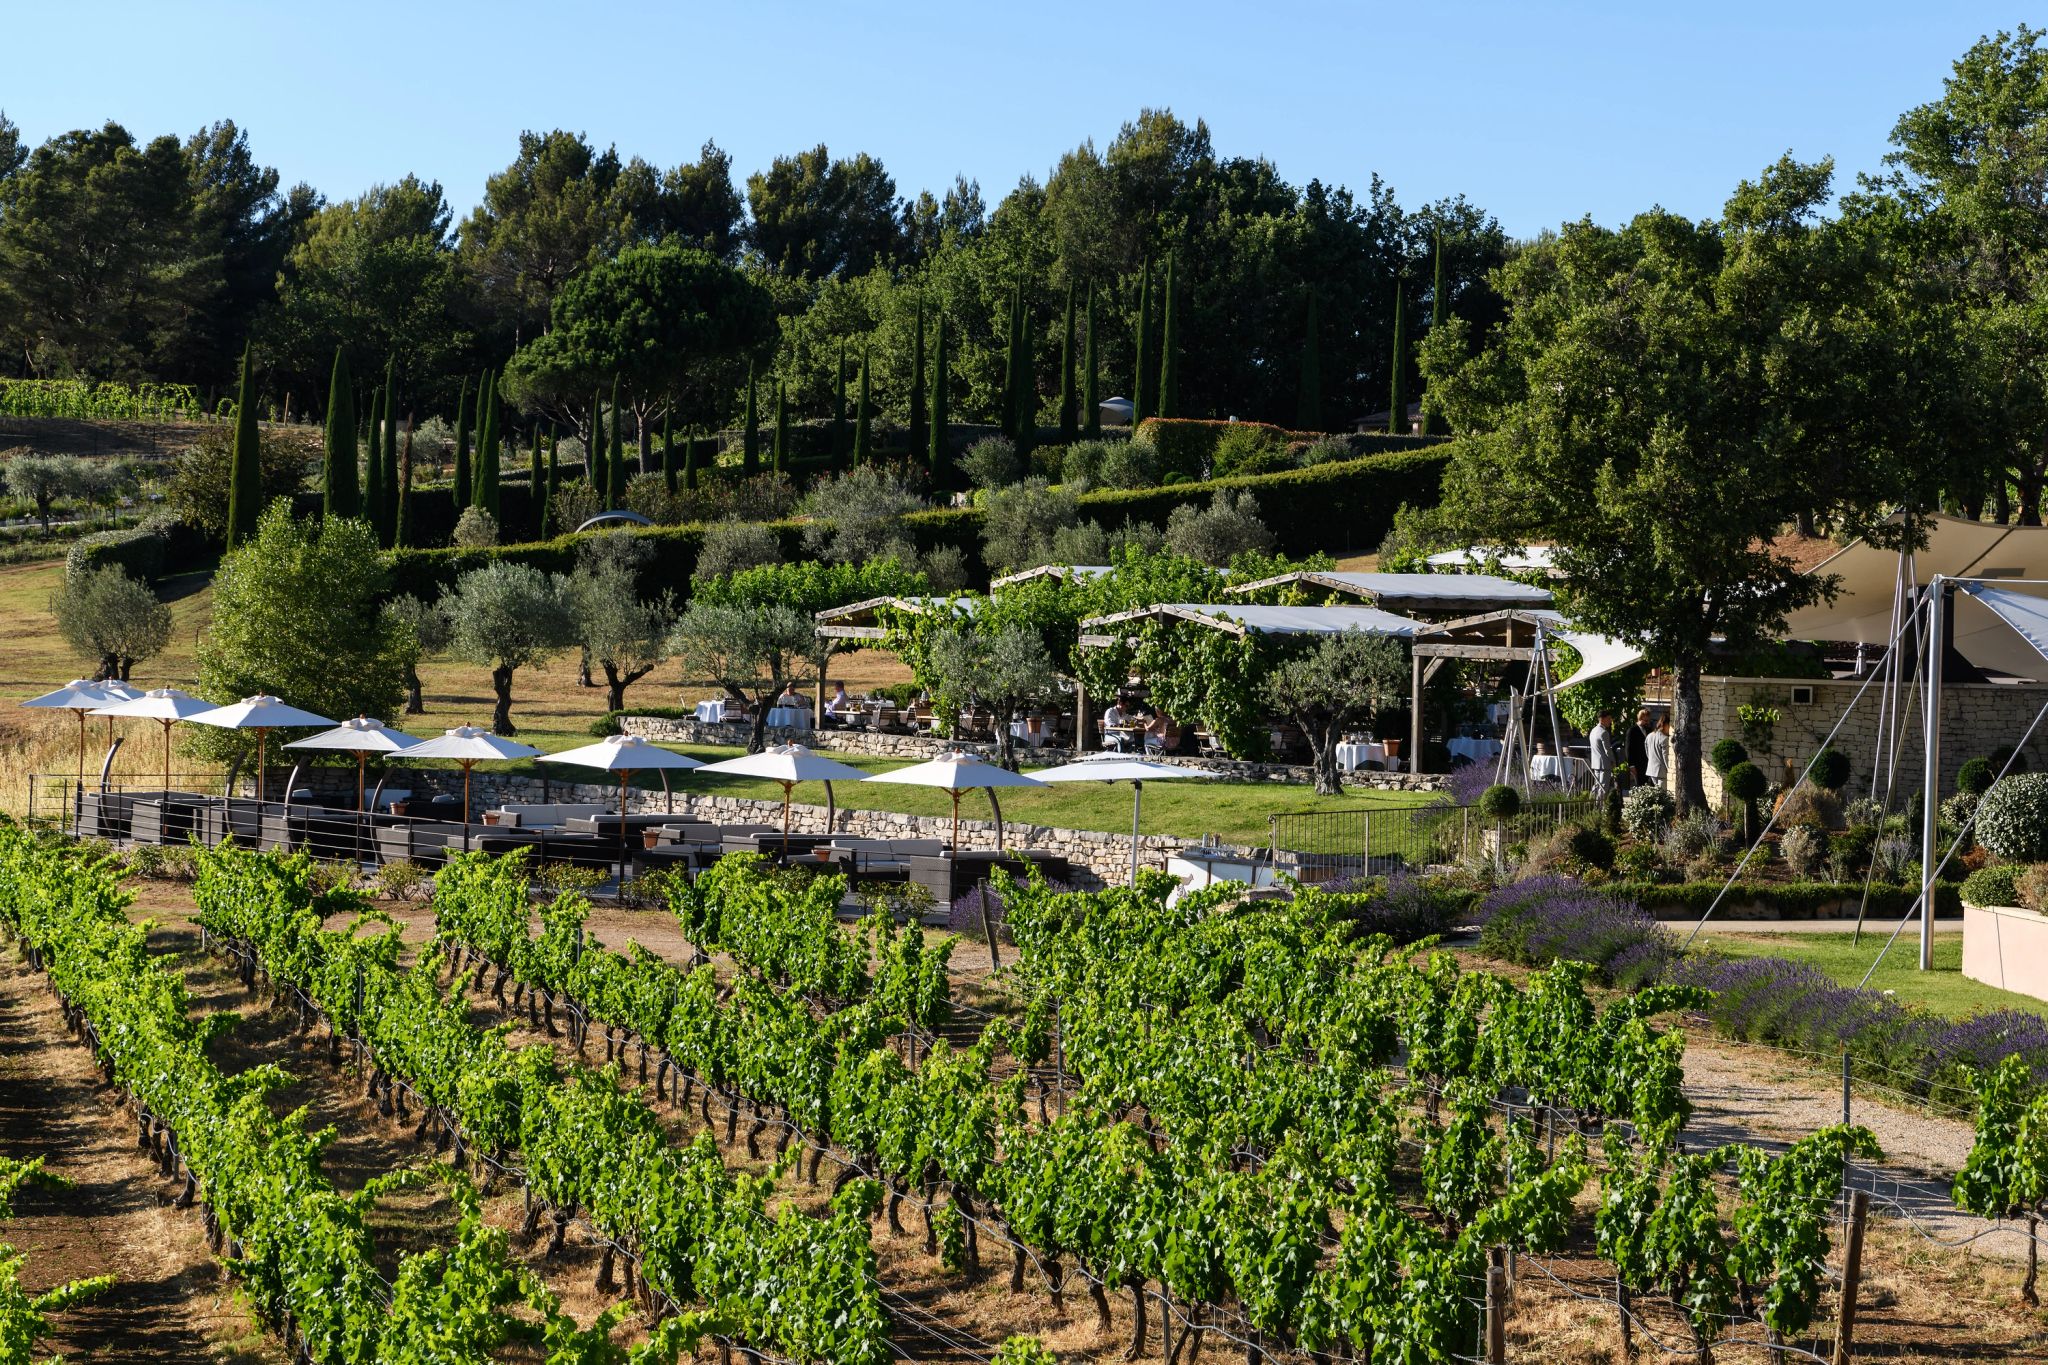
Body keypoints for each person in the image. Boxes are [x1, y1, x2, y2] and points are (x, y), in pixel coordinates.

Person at [1589, 711, 1616, 798]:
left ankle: (1592, 805)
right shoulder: (1604, 732)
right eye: (1608, 719)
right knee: (1603, 787)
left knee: (1596, 786)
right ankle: (1600, 808)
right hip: (1605, 764)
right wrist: (1613, 761)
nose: (1610, 721)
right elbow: (1607, 750)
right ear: (1602, 719)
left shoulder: (1593, 731)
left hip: (1595, 763)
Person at [1627, 708, 1652, 790]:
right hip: (1637, 764)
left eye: (1648, 721)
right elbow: (1628, 749)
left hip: (1647, 763)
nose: (1647, 723)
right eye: (1645, 721)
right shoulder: (1632, 730)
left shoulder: (1649, 730)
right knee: (1639, 785)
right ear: (1640, 719)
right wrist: (1631, 765)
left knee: (1646, 785)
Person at [1645, 713, 1671, 788]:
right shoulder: (1665, 738)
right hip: (1662, 772)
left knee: (1658, 794)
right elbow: (1666, 756)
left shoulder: (1649, 736)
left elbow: (1647, 753)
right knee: (1663, 795)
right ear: (1666, 725)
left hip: (1651, 769)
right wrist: (1670, 770)